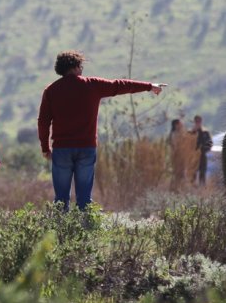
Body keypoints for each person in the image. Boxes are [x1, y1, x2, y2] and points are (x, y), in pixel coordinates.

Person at [37, 51, 165, 211]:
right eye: (81, 66)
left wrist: (45, 148)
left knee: (61, 199)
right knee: (84, 198)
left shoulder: (51, 91)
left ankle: (60, 233)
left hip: (61, 150)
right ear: (76, 67)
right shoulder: (92, 85)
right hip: (86, 149)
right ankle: (86, 231)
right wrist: (149, 86)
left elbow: (43, 122)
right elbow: (120, 85)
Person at [169, 119, 197, 191]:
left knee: (183, 174)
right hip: (178, 158)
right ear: (176, 125)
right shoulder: (174, 134)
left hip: (182, 158)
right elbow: (177, 146)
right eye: (180, 124)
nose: (182, 125)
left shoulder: (181, 133)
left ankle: (182, 189)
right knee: (178, 174)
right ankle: (177, 189)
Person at [192, 115, 213, 186]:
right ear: (194, 122)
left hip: (203, 154)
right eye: (196, 121)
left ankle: (202, 186)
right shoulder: (191, 132)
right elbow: (187, 144)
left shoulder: (205, 132)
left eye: (199, 121)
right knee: (193, 171)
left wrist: (205, 149)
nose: (198, 123)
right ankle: (192, 186)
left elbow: (210, 143)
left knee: (202, 171)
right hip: (193, 156)